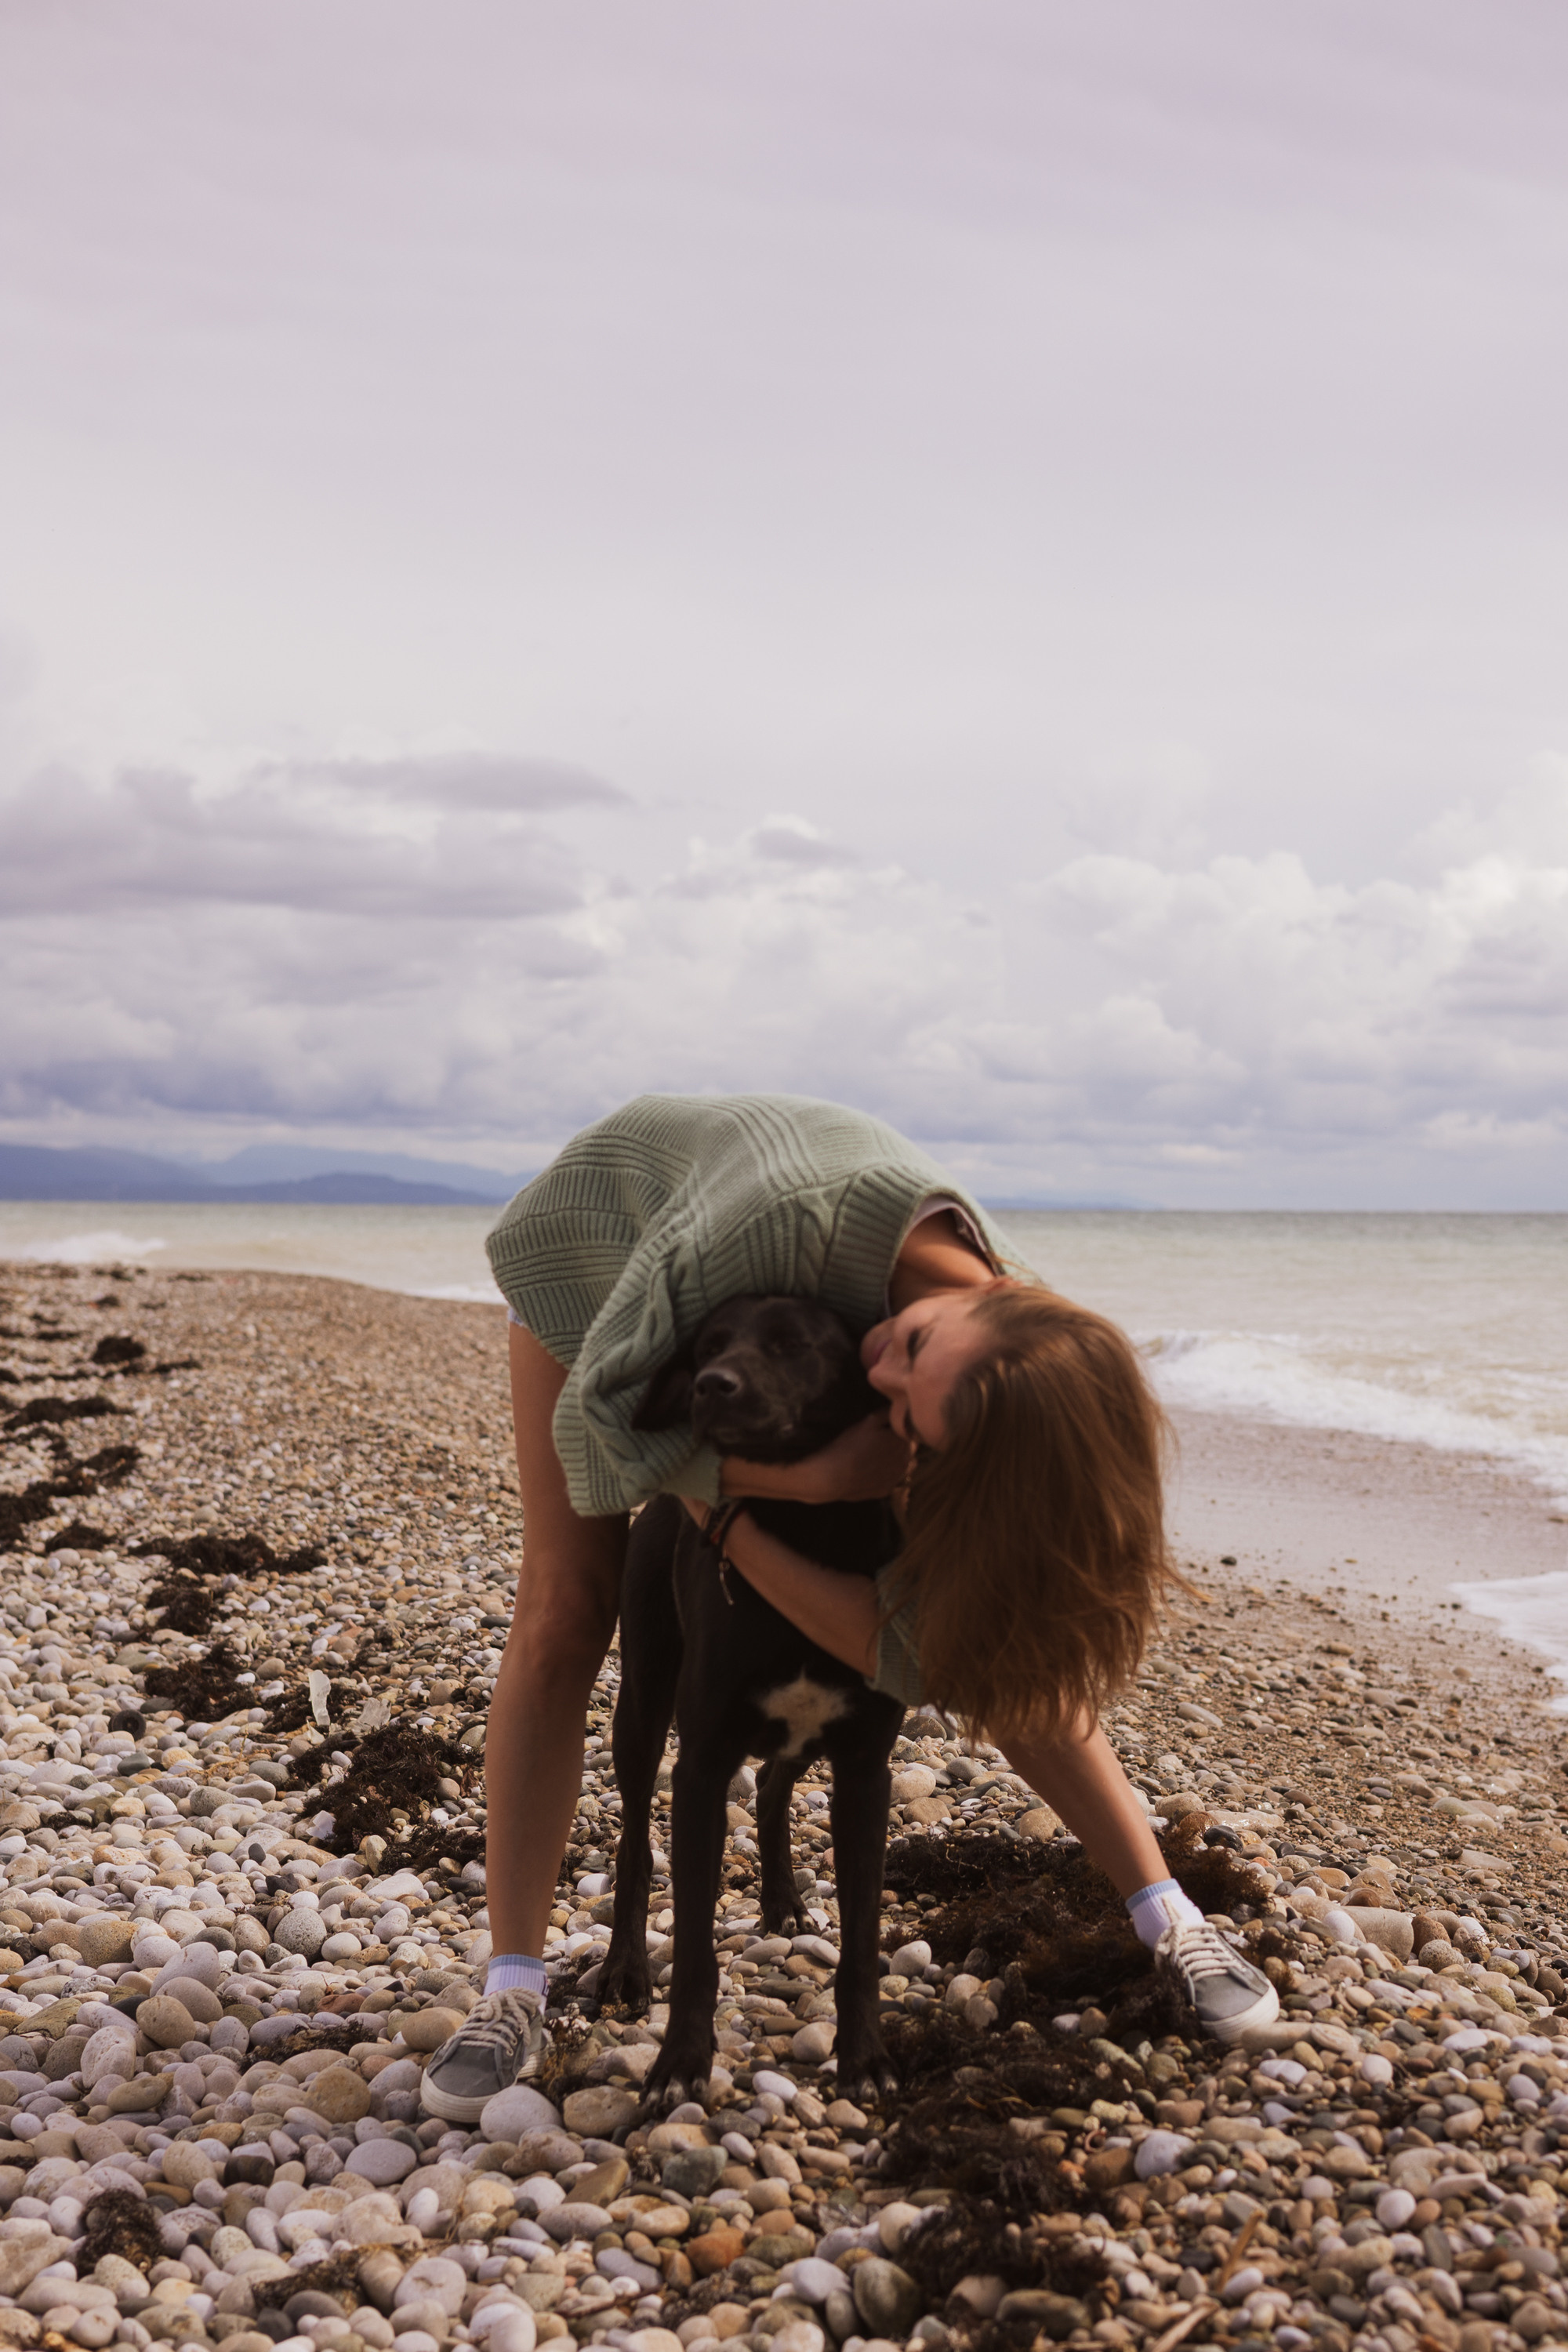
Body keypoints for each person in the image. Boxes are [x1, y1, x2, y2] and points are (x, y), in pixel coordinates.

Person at [420, 1092, 1276, 2121]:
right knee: (564, 1608)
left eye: (909, 1413)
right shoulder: (779, 1235)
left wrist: (867, 1502)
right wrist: (809, 1486)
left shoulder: (1015, 1351)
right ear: (974, 1305)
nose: (882, 1372)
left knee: (990, 1632)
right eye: (906, 1347)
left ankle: (1167, 1915)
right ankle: (513, 1986)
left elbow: (934, 1657)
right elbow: (603, 1434)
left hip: (772, 1317)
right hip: (601, 1260)